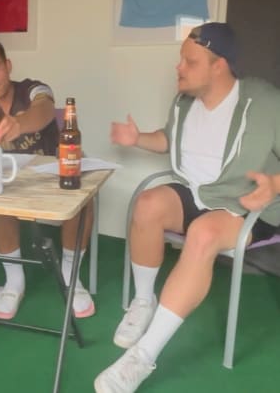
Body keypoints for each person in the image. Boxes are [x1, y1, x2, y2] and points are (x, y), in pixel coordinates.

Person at [95, 22, 280, 393]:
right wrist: (138, 138)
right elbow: (170, 139)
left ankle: (142, 357)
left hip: (244, 204)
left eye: (190, 61)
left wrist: (274, 185)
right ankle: (143, 302)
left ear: (219, 66)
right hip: (196, 194)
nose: (178, 68)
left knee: (202, 234)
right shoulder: (184, 102)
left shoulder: (265, 102)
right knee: (147, 203)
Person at [0, 36, 95, 320]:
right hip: (12, 184)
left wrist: (18, 124)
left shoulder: (34, 88)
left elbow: (45, 109)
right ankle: (14, 280)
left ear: (8, 65)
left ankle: (70, 274)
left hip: (51, 180)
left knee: (83, 194)